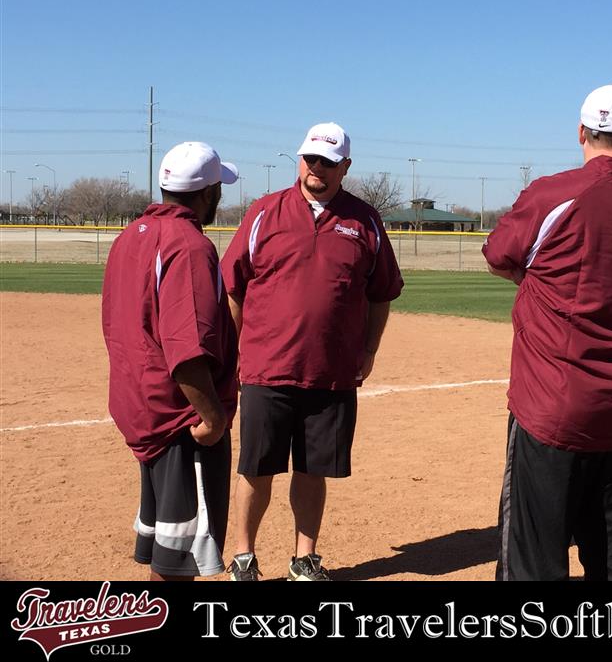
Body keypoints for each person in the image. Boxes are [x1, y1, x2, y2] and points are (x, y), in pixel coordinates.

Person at [483, 84, 612, 581]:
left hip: (553, 411)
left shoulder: (554, 193)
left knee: (534, 563)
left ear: (581, 133)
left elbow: (498, 256)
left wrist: (543, 281)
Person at [221, 122, 403, 581]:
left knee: (312, 469)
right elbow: (233, 287)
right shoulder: (264, 212)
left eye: (327, 161)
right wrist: (232, 353)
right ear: (299, 160)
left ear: (345, 166)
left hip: (331, 371)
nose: (316, 168)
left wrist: (369, 348)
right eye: (310, 159)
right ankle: (244, 556)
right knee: (256, 469)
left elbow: (381, 292)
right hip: (267, 367)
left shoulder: (364, 220)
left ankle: (305, 558)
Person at [101, 141, 240, 580]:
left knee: (169, 547)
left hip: (144, 408)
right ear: (208, 193)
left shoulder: (130, 236)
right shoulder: (190, 246)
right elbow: (187, 348)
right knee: (179, 560)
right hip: (181, 422)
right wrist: (212, 417)